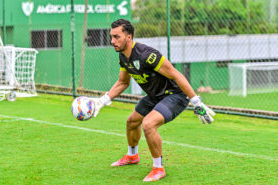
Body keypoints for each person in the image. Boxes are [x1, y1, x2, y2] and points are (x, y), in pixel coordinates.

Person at [91, 19, 215, 182]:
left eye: (117, 37)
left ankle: (158, 168)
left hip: (175, 95)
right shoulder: (123, 56)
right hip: (154, 96)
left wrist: (196, 102)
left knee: (148, 124)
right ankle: (132, 156)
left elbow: (176, 74)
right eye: (111, 37)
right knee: (132, 122)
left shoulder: (147, 55)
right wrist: (103, 101)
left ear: (129, 37)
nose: (112, 41)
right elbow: (123, 82)